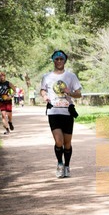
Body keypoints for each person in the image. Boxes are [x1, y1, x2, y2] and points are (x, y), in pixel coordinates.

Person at [39, 50, 82, 178]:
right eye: (56, 59)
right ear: (53, 60)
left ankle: (67, 166)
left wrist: (70, 92)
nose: (58, 61)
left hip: (67, 113)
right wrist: (45, 95)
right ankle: (59, 164)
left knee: (67, 143)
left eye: (61, 59)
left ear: (64, 61)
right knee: (59, 141)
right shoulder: (46, 77)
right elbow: (42, 90)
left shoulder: (71, 76)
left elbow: (79, 94)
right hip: (54, 112)